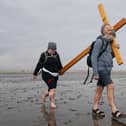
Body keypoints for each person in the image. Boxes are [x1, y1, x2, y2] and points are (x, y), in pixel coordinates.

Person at [91, 24, 125, 118]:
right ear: (103, 31)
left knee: (99, 89)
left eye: (111, 28)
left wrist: (116, 50)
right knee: (111, 86)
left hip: (108, 68)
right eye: (108, 28)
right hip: (101, 68)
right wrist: (95, 72)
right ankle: (114, 110)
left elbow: (110, 56)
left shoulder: (110, 43)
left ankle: (95, 107)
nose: (110, 29)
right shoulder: (99, 41)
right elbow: (94, 57)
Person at [33, 42, 63, 108]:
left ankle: (44, 95)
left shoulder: (56, 54)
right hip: (46, 74)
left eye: (54, 49)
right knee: (53, 90)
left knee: (51, 89)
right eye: (51, 49)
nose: (53, 51)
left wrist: (61, 70)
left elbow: (59, 63)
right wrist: (35, 73)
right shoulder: (44, 55)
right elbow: (39, 64)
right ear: (48, 49)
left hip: (55, 75)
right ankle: (52, 103)